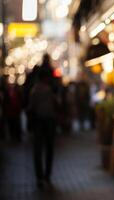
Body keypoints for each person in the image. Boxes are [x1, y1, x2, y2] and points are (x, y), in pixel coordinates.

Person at [27, 56, 58, 188]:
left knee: (38, 150)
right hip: (49, 121)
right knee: (49, 148)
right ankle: (47, 175)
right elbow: (57, 103)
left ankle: (40, 176)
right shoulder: (49, 90)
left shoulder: (34, 90)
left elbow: (31, 107)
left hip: (38, 122)